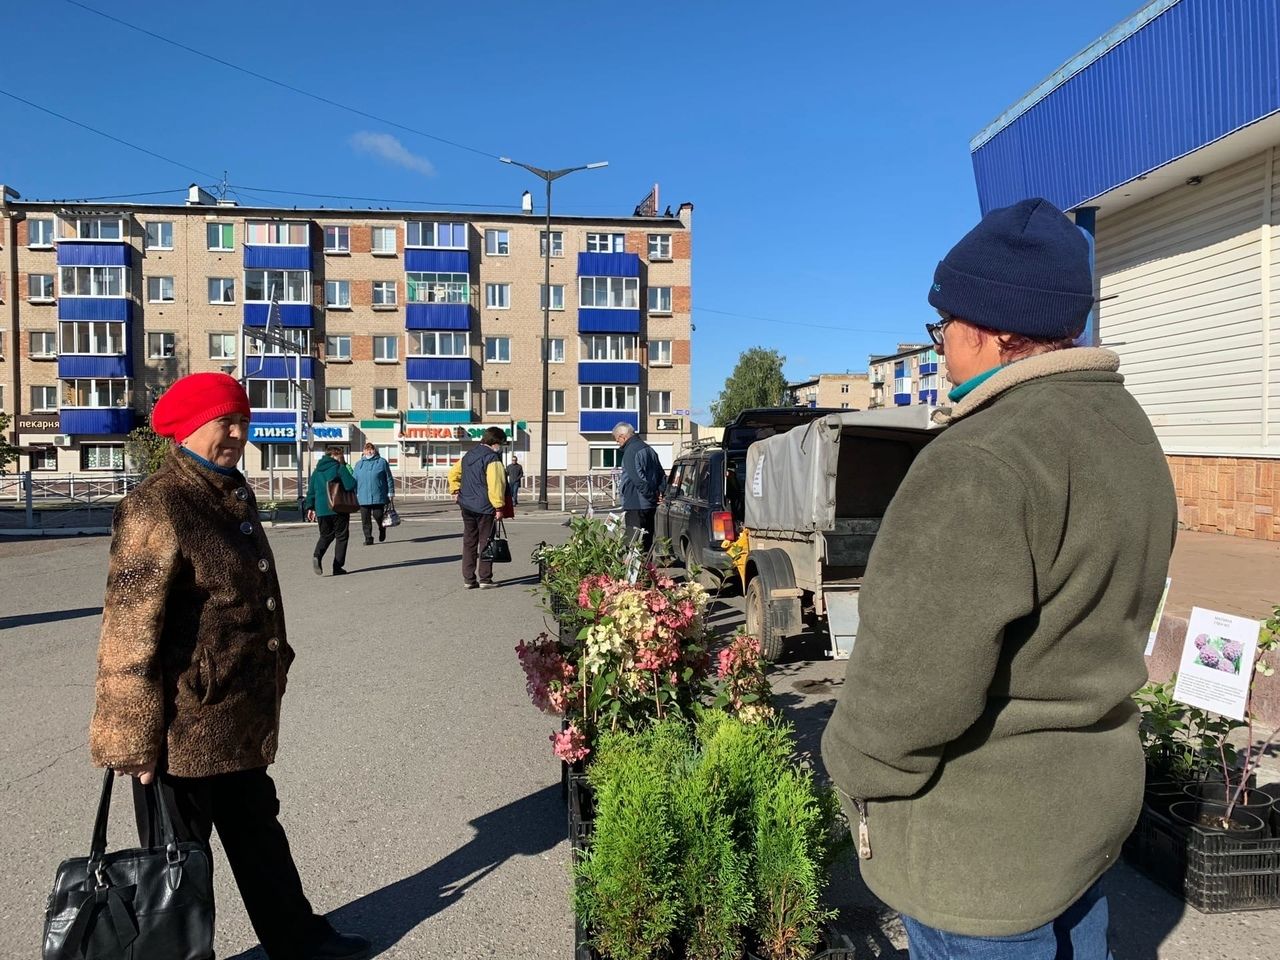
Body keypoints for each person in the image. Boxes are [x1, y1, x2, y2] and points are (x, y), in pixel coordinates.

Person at [820, 198, 1178, 960]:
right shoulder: (1127, 432)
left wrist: (849, 766)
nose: (941, 346)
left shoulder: (981, 459)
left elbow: (913, 685)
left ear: (990, 329)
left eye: (941, 326)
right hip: (1084, 815)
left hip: (981, 849)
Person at [89, 372, 370, 960]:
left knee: (259, 836)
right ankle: (183, 955)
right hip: (180, 725)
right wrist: (132, 738)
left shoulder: (226, 492)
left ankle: (298, 940)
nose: (238, 434)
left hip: (234, 716)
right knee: (180, 863)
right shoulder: (158, 504)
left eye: (243, 421)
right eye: (226, 422)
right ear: (190, 428)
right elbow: (127, 630)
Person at [448, 426, 506, 589]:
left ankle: (468, 579)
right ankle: (485, 579)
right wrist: (499, 507)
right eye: (500, 443)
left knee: (469, 541)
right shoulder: (492, 458)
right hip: (485, 506)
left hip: (466, 504)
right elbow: (496, 484)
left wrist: (455, 490)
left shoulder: (468, 455)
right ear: (495, 442)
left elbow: (453, 473)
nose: (500, 446)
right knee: (486, 541)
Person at [613, 422, 666, 552]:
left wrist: (650, 496)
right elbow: (661, 474)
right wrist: (660, 492)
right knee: (647, 541)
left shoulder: (631, 451)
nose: (617, 443)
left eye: (616, 439)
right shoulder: (649, 449)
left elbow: (637, 478)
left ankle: (635, 571)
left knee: (633, 542)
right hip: (649, 505)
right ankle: (647, 569)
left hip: (636, 503)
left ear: (623, 437)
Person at [304, 444, 357, 576]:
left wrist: (310, 507)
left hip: (321, 509)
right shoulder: (338, 467)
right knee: (341, 537)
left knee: (325, 535)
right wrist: (343, 466)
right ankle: (337, 567)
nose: (342, 457)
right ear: (335, 455)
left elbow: (311, 491)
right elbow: (351, 484)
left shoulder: (316, 471)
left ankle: (317, 555)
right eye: (341, 455)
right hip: (338, 507)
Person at [352, 441, 395, 546]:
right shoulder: (359, 464)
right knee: (365, 519)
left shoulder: (381, 462)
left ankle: (382, 528)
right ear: (363, 451)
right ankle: (368, 538)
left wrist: (391, 492)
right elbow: (354, 479)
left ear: (375, 450)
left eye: (371, 449)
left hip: (378, 495)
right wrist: (353, 492)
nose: (369, 451)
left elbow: (389, 478)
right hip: (362, 496)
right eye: (367, 449)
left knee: (378, 515)